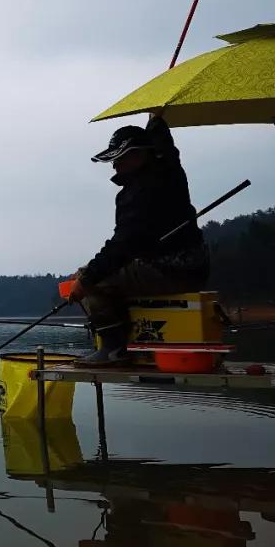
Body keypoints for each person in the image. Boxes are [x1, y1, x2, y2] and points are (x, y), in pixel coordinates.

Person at [69, 113, 209, 366]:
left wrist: (86, 279)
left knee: (91, 277)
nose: (115, 166)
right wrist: (156, 120)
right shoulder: (171, 171)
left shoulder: (138, 192)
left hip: (169, 270)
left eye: (119, 159)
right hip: (197, 266)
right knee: (103, 274)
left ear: (138, 155)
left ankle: (113, 349)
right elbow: (166, 147)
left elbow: (123, 245)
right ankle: (126, 339)